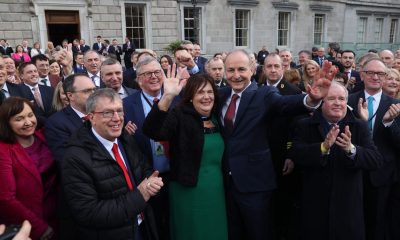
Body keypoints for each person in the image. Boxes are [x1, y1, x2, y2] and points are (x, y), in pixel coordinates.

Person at [219, 49, 334, 240]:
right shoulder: (220, 95)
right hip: (224, 183)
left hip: (255, 184)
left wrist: (311, 99)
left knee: (259, 233)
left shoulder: (265, 94)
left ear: (253, 70)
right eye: (230, 70)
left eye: (241, 69)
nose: (236, 75)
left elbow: (286, 104)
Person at [61, 88, 163, 240]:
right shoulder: (75, 158)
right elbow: (88, 212)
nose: (117, 118)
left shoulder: (125, 138)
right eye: (107, 113)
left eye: (119, 111)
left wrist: (152, 184)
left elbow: (143, 169)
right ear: (91, 117)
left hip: (142, 227)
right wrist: (140, 195)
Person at [292, 81, 383, 240]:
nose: (337, 103)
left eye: (341, 99)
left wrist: (351, 149)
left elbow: (375, 160)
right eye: (331, 98)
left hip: (348, 206)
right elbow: (297, 154)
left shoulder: (359, 126)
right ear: (322, 101)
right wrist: (323, 147)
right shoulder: (304, 125)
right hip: (315, 205)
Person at [143, 72, 228, 240]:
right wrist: (167, 96)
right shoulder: (180, 115)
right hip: (188, 189)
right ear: (190, 97)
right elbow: (152, 131)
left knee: (215, 230)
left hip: (216, 189)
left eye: (209, 92)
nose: (206, 97)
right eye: (200, 92)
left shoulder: (217, 116)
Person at [347, 58, 400, 240]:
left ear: (386, 77)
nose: (376, 77)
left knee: (377, 223)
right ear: (362, 74)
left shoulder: (395, 105)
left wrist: (388, 124)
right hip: (351, 170)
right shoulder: (348, 100)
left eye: (381, 74)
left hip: (381, 175)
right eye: (371, 73)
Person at [0, 97, 57, 240]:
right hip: (33, 224)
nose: (28, 122)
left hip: (61, 215)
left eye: (30, 115)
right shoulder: (3, 150)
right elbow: (6, 198)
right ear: (7, 123)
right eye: (19, 119)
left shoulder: (43, 135)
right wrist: (39, 228)